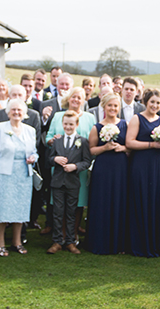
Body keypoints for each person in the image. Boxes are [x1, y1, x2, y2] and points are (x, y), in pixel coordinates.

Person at [0, 99, 39, 256]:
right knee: (3, 208)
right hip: (4, 174)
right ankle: (0, 242)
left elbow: (34, 151)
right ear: (8, 112)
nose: (16, 112)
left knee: (20, 208)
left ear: (24, 113)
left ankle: (17, 241)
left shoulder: (30, 130)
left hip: (23, 174)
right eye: (13, 110)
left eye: (19, 110)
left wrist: (33, 157)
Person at [46, 87, 97, 239]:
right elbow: (48, 136)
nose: (76, 100)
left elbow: (92, 140)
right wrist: (53, 141)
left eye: (79, 98)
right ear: (69, 98)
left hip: (78, 169)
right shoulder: (58, 116)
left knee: (78, 201)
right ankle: (59, 234)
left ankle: (73, 233)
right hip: (60, 166)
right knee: (59, 202)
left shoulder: (89, 117)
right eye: (73, 97)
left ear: (83, 100)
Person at [125, 89, 160, 257]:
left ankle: (154, 243)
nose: (155, 105)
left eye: (158, 103)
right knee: (141, 199)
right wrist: (152, 145)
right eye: (152, 102)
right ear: (146, 102)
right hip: (141, 165)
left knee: (155, 200)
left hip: (157, 166)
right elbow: (129, 142)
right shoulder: (137, 118)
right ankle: (139, 243)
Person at [87, 94, 129, 255]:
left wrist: (123, 148)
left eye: (115, 106)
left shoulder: (125, 124)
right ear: (104, 107)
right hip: (103, 168)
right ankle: (100, 241)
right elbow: (91, 150)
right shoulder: (96, 127)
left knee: (119, 201)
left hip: (121, 168)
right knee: (102, 202)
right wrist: (104, 148)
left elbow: (130, 146)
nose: (113, 109)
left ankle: (118, 243)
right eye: (110, 105)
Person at [46, 111, 91, 254]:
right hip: (58, 182)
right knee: (58, 212)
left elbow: (87, 161)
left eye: (71, 124)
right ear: (62, 124)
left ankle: (71, 241)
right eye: (65, 124)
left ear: (76, 125)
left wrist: (75, 167)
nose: (68, 127)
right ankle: (57, 241)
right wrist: (55, 160)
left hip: (73, 182)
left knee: (71, 213)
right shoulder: (57, 141)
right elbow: (49, 159)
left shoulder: (83, 141)